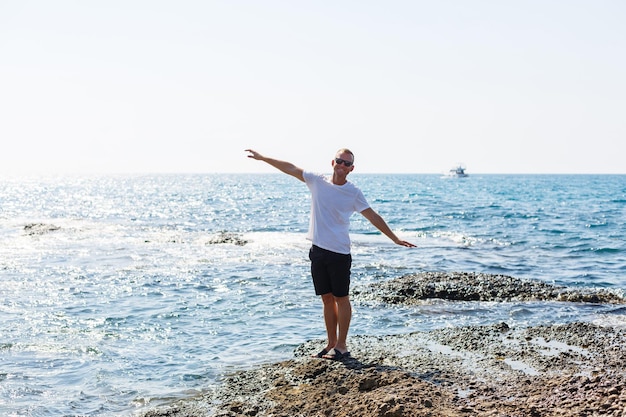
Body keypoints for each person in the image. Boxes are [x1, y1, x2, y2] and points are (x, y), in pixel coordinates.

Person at [245, 148, 415, 361]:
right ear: (332, 163)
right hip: (317, 250)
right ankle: (331, 343)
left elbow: (372, 216)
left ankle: (342, 346)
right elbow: (290, 168)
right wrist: (263, 158)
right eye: (339, 161)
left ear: (351, 169)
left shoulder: (353, 192)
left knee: (341, 298)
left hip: (339, 253)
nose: (342, 166)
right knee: (326, 299)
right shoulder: (317, 181)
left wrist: (394, 238)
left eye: (346, 163)